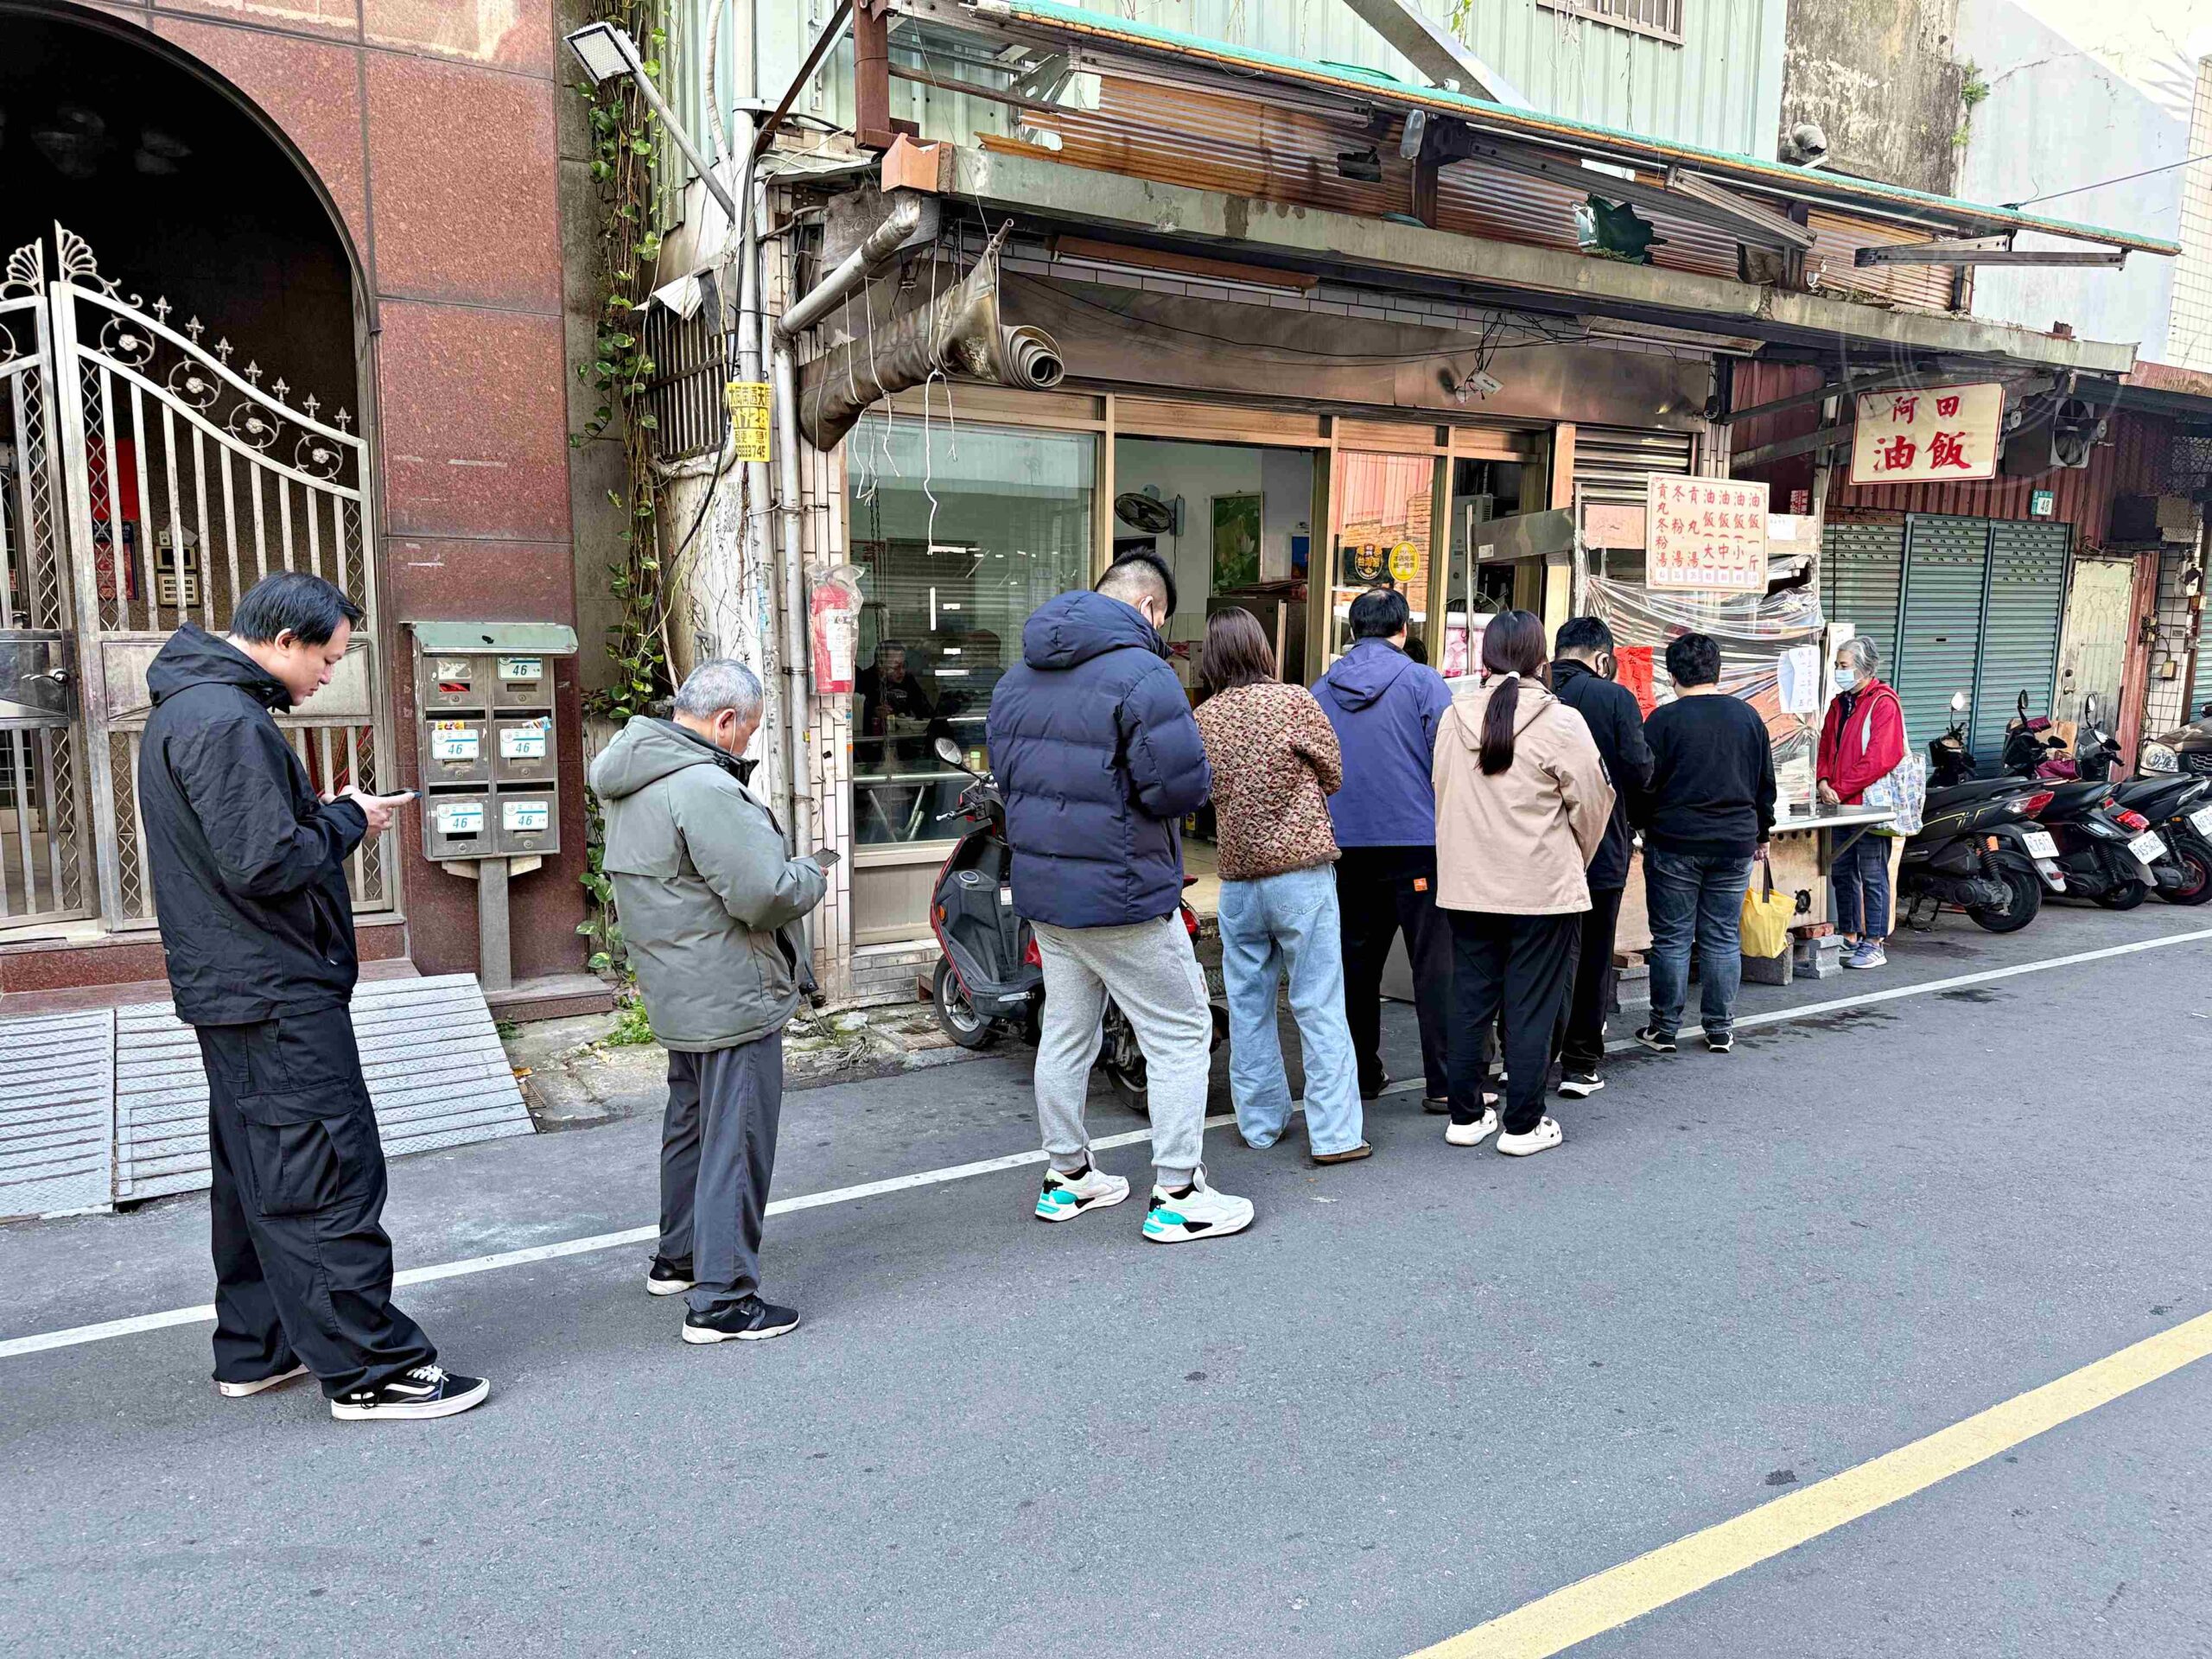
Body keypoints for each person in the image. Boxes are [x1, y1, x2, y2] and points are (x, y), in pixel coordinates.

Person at [137, 572, 486, 1421]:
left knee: (258, 1171)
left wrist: (322, 820)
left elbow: (247, 846)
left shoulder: (200, 707)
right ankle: (373, 1371)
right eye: (327, 658)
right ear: (284, 640)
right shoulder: (223, 720)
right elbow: (264, 862)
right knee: (322, 1172)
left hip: (245, 989)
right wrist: (345, 824)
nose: (329, 675)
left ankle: (258, 1348)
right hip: (271, 991)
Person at [987, 553, 1254, 1243]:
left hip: (1046, 893)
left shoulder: (1018, 677)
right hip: (1124, 892)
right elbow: (1180, 789)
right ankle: (1179, 1193)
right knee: (1180, 1031)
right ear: (1149, 609)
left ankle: (1067, 1177)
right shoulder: (1144, 675)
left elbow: (1009, 779)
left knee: (1067, 1034)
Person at [591, 659, 830, 1344]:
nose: (748, 744)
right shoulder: (704, 787)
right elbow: (762, 896)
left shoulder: (633, 779)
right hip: (732, 991)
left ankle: (681, 1257)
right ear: (726, 722)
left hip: (677, 988)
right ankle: (722, 1300)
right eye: (749, 730)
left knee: (692, 1128)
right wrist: (811, 872)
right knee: (738, 1137)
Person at [1431, 610, 1612, 1157]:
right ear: (1542, 659)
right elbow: (1594, 804)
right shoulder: (1562, 721)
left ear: (1486, 659)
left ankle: (1465, 1116)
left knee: (1469, 1000)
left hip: (1466, 884)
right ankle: (1523, 1124)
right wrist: (1571, 858)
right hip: (1540, 886)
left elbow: (1440, 792)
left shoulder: (1452, 716)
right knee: (1530, 1005)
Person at [1192, 607, 1365, 1165]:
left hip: (1239, 880)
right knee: (1318, 1004)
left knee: (1248, 1007)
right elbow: (1334, 772)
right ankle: (1335, 1135)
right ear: (1262, 650)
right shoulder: (1294, 701)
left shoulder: (1204, 718)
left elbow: (1196, 794)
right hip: (1302, 876)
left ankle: (1261, 1124)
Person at [1311, 588, 1456, 1113]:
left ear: (1352, 632)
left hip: (1344, 847)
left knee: (1354, 967)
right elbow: (1449, 760)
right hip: (1416, 844)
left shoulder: (1321, 690)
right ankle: (1443, 1085)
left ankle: (1361, 1076)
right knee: (1433, 964)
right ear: (1404, 630)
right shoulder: (1423, 682)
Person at [1633, 632, 1777, 1056]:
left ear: (1672, 674)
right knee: (1721, 937)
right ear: (1719, 670)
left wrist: (1641, 826)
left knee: (1673, 938)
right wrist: (1761, 833)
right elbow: (1764, 784)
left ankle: (1664, 1029)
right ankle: (1719, 1028)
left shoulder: (1662, 720)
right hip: (1734, 843)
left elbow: (1644, 783)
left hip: (1674, 841)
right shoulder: (1748, 717)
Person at [1548, 616, 1654, 1098]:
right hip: (1601, 847)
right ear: (1603, 658)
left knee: (1537, 955)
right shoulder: (1614, 698)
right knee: (1593, 956)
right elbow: (1638, 770)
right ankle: (1580, 1064)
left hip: (1537, 850)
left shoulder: (1527, 692)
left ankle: (1524, 1057)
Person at [1815, 636, 1904, 969]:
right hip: (1838, 803)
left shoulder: (1883, 703)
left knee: (1872, 873)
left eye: (1843, 666)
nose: (1838, 672)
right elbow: (1825, 746)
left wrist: (1838, 786)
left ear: (1864, 668)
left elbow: (1880, 758)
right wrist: (1823, 781)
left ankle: (1874, 942)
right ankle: (1850, 936)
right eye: (1837, 666)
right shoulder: (1839, 704)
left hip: (1868, 805)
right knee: (1842, 870)